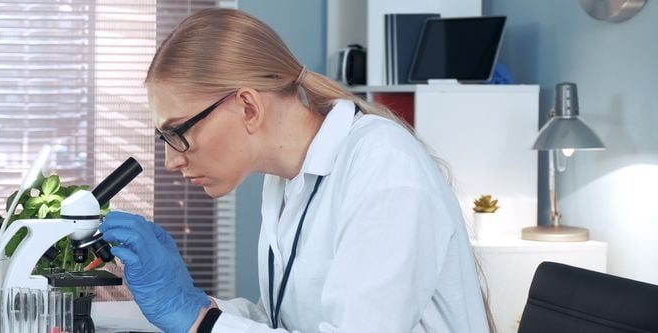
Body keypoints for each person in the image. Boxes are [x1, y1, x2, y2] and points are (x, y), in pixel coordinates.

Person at [100, 8, 491, 333]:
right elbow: (283, 323)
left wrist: (198, 321)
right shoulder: (286, 181)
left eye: (179, 132)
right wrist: (192, 303)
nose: (172, 160)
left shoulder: (382, 165)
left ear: (248, 107)